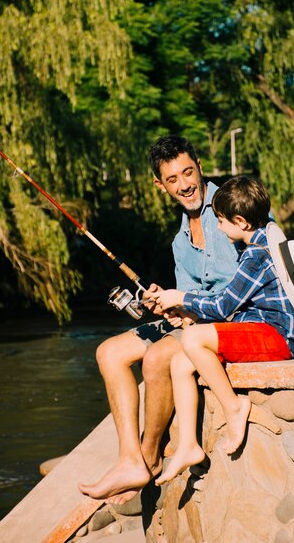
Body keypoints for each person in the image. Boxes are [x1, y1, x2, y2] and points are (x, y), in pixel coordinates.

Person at [78, 135, 239, 502]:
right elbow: (187, 304)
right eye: (172, 180)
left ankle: (147, 456)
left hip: (229, 321)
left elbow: (263, 262)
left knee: (155, 358)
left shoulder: (233, 202)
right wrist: (165, 304)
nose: (184, 185)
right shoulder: (180, 241)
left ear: (199, 165)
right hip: (193, 319)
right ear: (160, 184)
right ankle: (130, 458)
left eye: (188, 172)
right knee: (109, 353)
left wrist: (186, 305)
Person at [151, 176, 294, 484]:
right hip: (263, 329)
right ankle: (188, 445)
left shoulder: (256, 254)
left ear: (240, 221)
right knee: (181, 361)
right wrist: (185, 307)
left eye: (222, 221)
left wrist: (180, 297)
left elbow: (224, 305)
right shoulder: (265, 238)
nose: (219, 228)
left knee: (193, 337)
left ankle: (234, 407)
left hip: (274, 336)